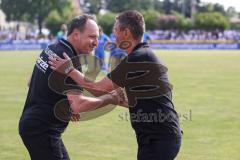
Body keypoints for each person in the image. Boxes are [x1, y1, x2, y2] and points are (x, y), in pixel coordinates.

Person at [48, 10, 182, 160]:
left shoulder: (138, 58)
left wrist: (69, 70)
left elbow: (99, 87)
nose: (113, 35)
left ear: (126, 33)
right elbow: (135, 99)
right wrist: (114, 98)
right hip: (159, 138)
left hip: (160, 140)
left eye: (115, 30)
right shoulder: (142, 55)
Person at [19, 14, 124, 160]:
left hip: (35, 126)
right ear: (76, 34)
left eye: (97, 37)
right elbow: (78, 105)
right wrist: (110, 99)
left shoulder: (53, 47)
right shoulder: (69, 60)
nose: (96, 43)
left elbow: (31, 81)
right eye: (92, 37)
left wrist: (66, 103)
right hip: (42, 130)